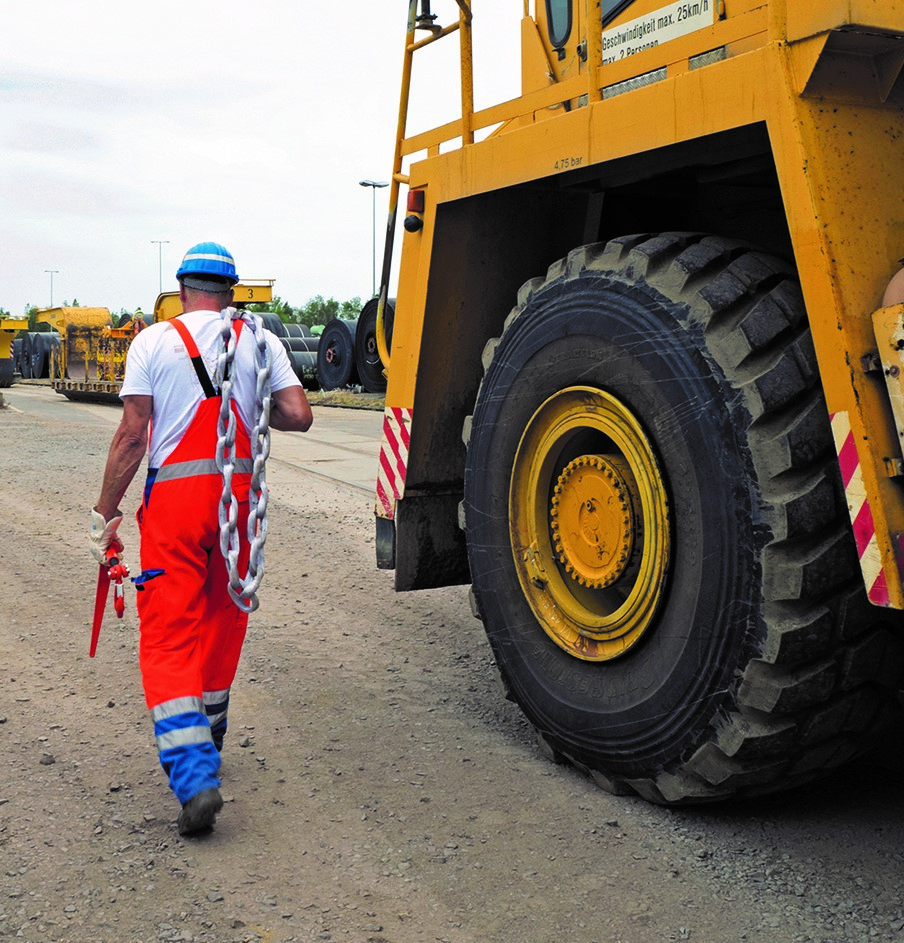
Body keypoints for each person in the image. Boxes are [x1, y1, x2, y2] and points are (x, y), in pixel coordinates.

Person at [90, 242, 312, 836]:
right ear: (231, 291)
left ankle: (193, 780)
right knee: (222, 620)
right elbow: (298, 413)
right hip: (237, 505)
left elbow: (134, 435)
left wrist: (104, 511)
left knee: (167, 636)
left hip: (177, 509)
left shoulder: (153, 342)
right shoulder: (259, 340)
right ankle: (208, 738)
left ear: (183, 289)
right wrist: (248, 391)